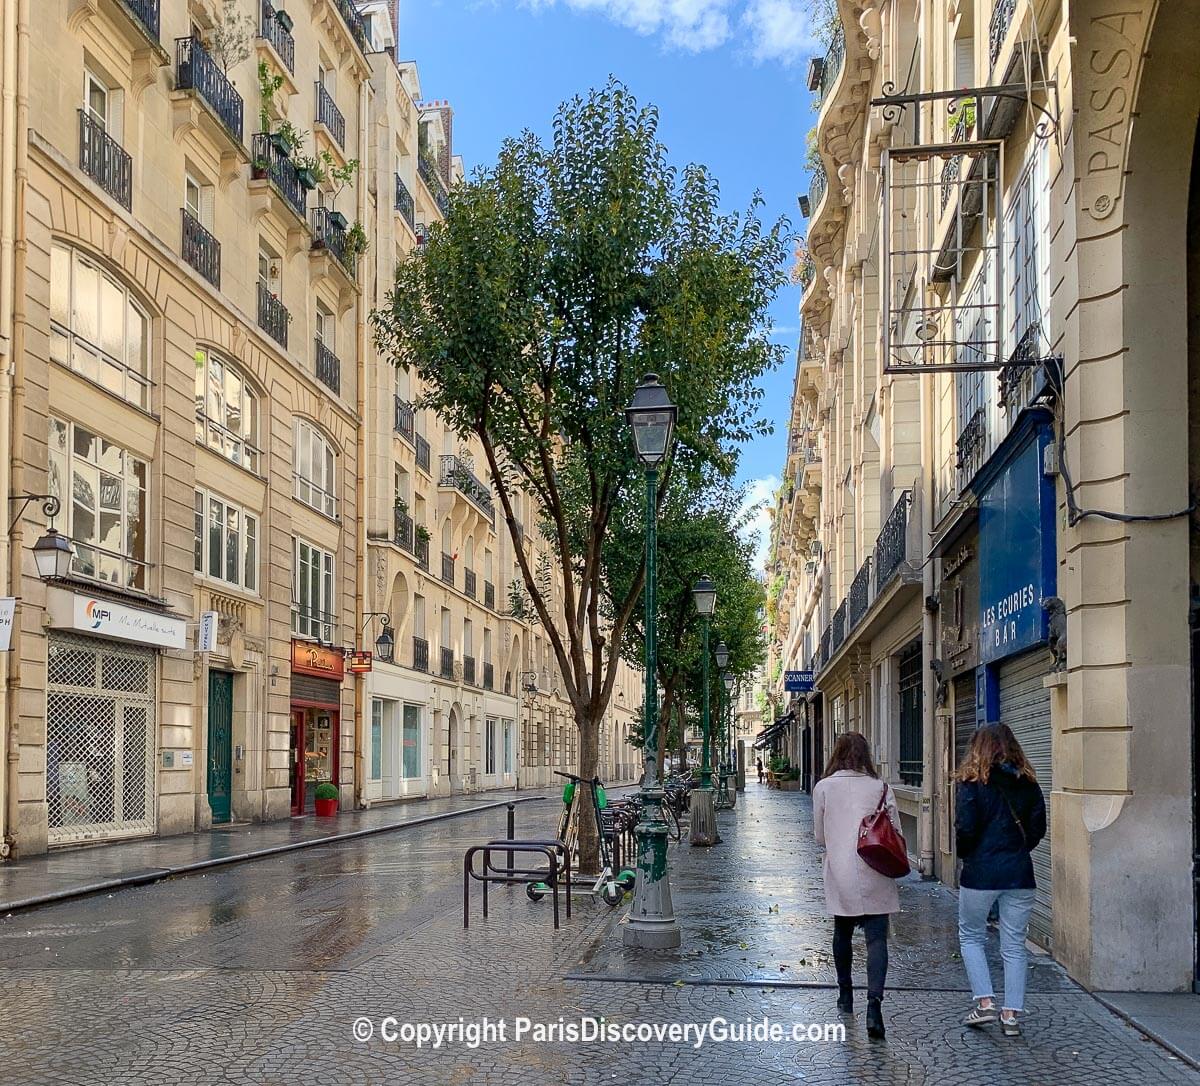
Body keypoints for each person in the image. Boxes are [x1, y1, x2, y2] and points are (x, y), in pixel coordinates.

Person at [955, 723, 1047, 1038]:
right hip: (1020, 872)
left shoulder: (971, 782)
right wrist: (1016, 850)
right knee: (1014, 944)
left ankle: (985, 1002)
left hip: (980, 873)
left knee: (970, 936)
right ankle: (1011, 1014)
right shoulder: (1028, 782)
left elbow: (965, 828)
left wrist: (970, 855)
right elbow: (1037, 829)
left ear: (977, 748)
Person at [812, 732, 901, 1040]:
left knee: (842, 933)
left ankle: (845, 995)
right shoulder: (881, 788)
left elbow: (819, 837)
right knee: (878, 940)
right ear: (866, 755)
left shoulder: (823, 788)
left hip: (841, 870)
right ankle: (874, 1006)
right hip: (876, 867)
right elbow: (897, 832)